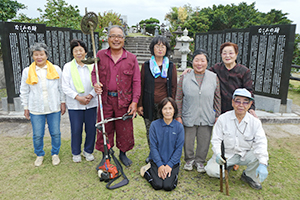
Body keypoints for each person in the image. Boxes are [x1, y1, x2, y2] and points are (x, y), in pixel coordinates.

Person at [92, 25, 141, 167]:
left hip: (124, 101)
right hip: (105, 100)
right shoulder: (101, 55)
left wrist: (134, 102)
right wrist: (96, 83)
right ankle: (105, 154)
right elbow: (95, 73)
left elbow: (136, 81)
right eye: (113, 36)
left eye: (119, 36)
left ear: (124, 39)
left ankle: (123, 154)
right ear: (108, 38)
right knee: (104, 128)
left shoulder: (131, 58)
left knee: (124, 129)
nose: (116, 39)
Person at [205, 88, 269, 190]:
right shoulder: (223, 118)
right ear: (232, 102)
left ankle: (248, 176)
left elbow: (261, 143)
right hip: (226, 155)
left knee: (259, 157)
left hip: (245, 153)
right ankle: (228, 166)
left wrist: (263, 164)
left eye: (245, 102)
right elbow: (216, 140)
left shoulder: (255, 122)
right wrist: (217, 154)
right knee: (211, 171)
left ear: (250, 104)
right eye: (238, 101)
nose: (241, 105)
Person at [20, 43, 66, 167]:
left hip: (53, 107)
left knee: (55, 132)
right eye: (36, 54)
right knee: (37, 134)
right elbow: (24, 90)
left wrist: (63, 102)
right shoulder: (27, 71)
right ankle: (39, 154)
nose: (39, 57)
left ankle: (55, 154)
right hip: (36, 108)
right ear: (32, 56)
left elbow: (61, 87)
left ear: (46, 55)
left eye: (41, 54)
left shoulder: (56, 69)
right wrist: (26, 107)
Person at [175, 49, 221, 173]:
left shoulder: (213, 77)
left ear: (207, 62)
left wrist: (217, 115)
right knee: (188, 140)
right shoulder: (185, 77)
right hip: (189, 114)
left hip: (207, 115)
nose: (199, 63)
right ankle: (189, 160)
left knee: (204, 140)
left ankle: (200, 161)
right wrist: (178, 116)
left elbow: (217, 97)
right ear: (192, 61)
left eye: (202, 60)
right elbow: (178, 97)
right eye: (196, 60)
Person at [137, 36, 177, 163]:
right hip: (149, 103)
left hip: (165, 106)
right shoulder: (146, 65)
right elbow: (141, 85)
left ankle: (164, 155)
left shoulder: (171, 66)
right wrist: (139, 104)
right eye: (157, 46)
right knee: (151, 131)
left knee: (164, 131)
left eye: (163, 46)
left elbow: (174, 87)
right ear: (152, 48)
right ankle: (152, 154)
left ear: (167, 49)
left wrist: (172, 105)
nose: (160, 49)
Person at [62, 39, 97, 163]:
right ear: (72, 53)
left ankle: (88, 151)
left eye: (81, 50)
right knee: (76, 129)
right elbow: (65, 86)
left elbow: (97, 83)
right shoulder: (67, 67)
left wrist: (91, 95)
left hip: (91, 103)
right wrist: (78, 97)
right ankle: (76, 152)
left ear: (85, 52)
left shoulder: (92, 65)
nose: (78, 53)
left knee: (91, 129)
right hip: (75, 105)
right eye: (75, 51)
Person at [140, 97, 184, 191]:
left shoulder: (179, 127)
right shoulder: (154, 125)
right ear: (161, 110)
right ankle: (147, 170)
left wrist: (169, 165)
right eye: (165, 108)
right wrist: (160, 165)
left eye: (170, 108)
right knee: (157, 185)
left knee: (168, 186)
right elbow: (153, 147)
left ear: (174, 110)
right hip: (157, 160)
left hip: (172, 162)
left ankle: (171, 171)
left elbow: (179, 149)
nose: (168, 111)